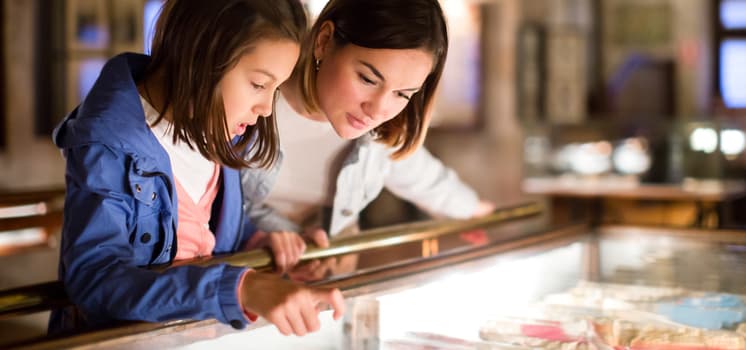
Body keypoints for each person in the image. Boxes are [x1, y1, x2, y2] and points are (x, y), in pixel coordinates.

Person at [50, 0, 343, 337]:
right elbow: (96, 279)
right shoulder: (108, 145)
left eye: (274, 89)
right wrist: (242, 289)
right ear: (203, 56)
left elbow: (204, 230)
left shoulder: (212, 127)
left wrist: (262, 242)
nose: (265, 108)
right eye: (259, 85)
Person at [241, 0, 495, 269]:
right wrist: (282, 238)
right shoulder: (249, 106)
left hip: (326, 287)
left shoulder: (382, 134)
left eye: (402, 94)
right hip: (241, 280)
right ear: (324, 41)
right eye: (368, 79)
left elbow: (427, 180)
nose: (378, 109)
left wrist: (477, 213)